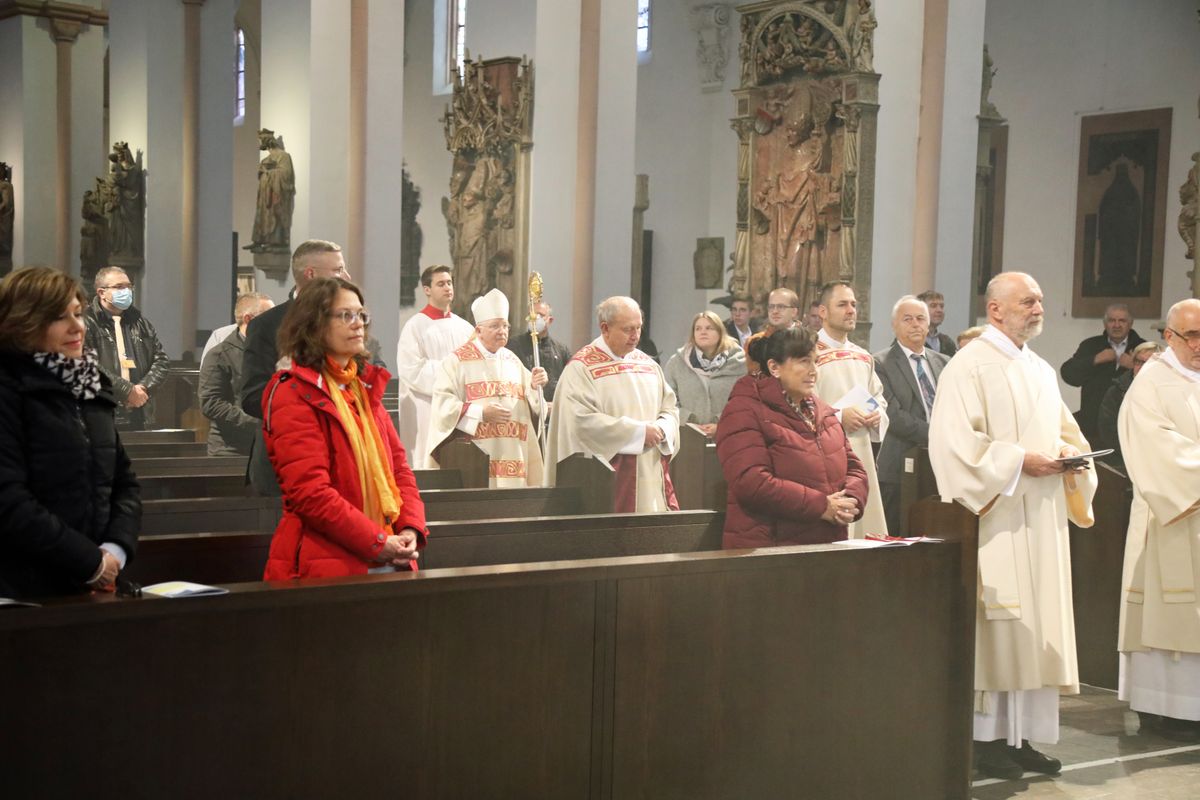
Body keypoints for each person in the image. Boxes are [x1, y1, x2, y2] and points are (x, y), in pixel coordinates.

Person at [929, 271, 1096, 780]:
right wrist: (1019, 460)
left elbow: (1067, 433)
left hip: (1041, 518)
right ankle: (985, 741)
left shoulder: (1041, 370)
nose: (1038, 308)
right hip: (997, 519)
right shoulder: (969, 367)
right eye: (1028, 301)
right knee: (1001, 631)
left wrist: (1070, 456)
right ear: (995, 309)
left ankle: (1022, 737)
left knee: (1035, 629)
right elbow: (954, 446)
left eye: (1041, 300)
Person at [262, 277, 426, 580]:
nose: (358, 324)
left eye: (361, 315)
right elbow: (309, 493)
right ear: (314, 324)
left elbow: (400, 469)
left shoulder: (362, 389)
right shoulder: (292, 392)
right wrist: (377, 542)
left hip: (390, 553)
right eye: (345, 315)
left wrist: (409, 527)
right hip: (326, 560)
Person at [0, 267, 139, 598]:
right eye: (60, 318)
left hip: (92, 582)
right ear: (25, 323)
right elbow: (8, 498)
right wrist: (89, 562)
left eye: (78, 314)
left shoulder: (90, 386)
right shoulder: (8, 389)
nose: (77, 327)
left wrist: (115, 551)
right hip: (22, 587)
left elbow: (123, 483)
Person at [1117, 299, 1200, 741]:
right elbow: (1152, 446)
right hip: (1171, 514)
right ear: (1169, 336)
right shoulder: (1151, 383)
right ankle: (1165, 707)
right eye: (1192, 336)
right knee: (1169, 613)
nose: (1199, 345)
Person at [716, 327, 867, 548]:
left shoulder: (822, 412)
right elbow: (751, 482)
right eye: (804, 362)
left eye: (815, 362)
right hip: (769, 550)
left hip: (826, 544)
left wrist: (851, 499)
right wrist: (821, 506)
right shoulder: (744, 410)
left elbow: (854, 467)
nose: (814, 370)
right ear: (774, 367)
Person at [547, 296, 680, 512]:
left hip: (649, 479)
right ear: (605, 328)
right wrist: (637, 433)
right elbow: (579, 422)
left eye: (638, 328)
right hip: (606, 484)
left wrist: (663, 428)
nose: (635, 336)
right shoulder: (581, 369)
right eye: (628, 329)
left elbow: (670, 408)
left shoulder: (648, 365)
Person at [241, 240, 351, 495]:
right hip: (284, 461)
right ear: (310, 274)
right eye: (338, 269)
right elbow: (251, 396)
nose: (346, 277)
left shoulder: (350, 321)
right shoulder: (267, 326)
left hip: (340, 461)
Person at [427, 289, 548, 486]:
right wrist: (480, 413)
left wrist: (534, 387)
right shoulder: (457, 361)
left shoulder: (513, 360)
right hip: (475, 461)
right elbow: (443, 404)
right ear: (478, 330)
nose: (502, 331)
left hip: (514, 458)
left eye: (505, 326)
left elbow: (535, 409)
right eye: (495, 326)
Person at [814, 280, 889, 538]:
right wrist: (838, 416)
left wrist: (877, 413)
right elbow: (799, 405)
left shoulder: (863, 356)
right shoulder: (808, 355)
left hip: (862, 453)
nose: (851, 310)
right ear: (822, 311)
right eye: (843, 304)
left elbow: (878, 396)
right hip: (824, 457)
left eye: (854, 305)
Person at [873, 296, 949, 536]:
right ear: (894, 325)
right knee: (898, 535)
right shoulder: (880, 362)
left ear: (928, 325)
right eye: (907, 319)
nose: (915, 324)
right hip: (898, 462)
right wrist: (937, 435)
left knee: (935, 531)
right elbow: (892, 414)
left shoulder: (944, 362)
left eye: (920, 319)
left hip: (939, 462)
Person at [394, 265, 475, 469]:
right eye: (441, 283)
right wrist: (453, 372)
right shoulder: (415, 326)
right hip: (427, 407)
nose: (447, 287)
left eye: (449, 283)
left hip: (458, 408)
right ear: (427, 289)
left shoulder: (465, 328)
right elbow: (412, 370)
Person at [84, 266, 170, 430]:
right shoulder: (87, 322)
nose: (126, 291)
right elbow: (88, 366)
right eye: (119, 287)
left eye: (129, 286)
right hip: (100, 411)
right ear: (102, 293)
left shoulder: (140, 322)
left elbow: (162, 361)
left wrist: (141, 389)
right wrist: (126, 390)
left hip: (138, 411)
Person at [199, 292, 274, 457]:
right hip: (230, 449)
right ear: (249, 319)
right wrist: (255, 422)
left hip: (268, 444)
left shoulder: (271, 351)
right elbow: (210, 403)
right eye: (269, 316)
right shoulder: (220, 354)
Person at [1060, 303, 1145, 441]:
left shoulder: (1142, 348)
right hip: (1092, 424)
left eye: (1122, 321)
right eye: (1112, 320)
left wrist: (1134, 367)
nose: (1116, 325)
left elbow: (1155, 383)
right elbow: (1068, 375)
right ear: (1105, 323)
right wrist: (1095, 359)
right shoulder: (1090, 345)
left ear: (1130, 323)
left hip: (1128, 425)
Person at [664, 311, 746, 436]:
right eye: (698, 329)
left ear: (720, 332)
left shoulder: (739, 362)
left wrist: (722, 423)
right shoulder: (677, 363)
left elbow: (745, 400)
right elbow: (667, 400)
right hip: (688, 436)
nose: (703, 332)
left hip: (731, 435)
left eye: (709, 328)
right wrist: (687, 419)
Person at [1095, 341, 1161, 459]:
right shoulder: (1117, 391)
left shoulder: (1168, 392)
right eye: (1139, 362)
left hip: (1160, 456)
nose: (1142, 367)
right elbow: (1107, 430)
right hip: (1124, 457)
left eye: (1149, 363)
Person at [508, 300, 572, 402]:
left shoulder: (561, 350)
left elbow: (569, 384)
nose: (535, 318)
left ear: (550, 320)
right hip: (525, 408)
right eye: (531, 315)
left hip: (552, 411)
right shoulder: (513, 346)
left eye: (540, 315)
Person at [745, 287, 800, 374]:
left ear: (794, 312)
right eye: (771, 306)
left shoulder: (808, 340)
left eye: (781, 307)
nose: (774, 311)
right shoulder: (754, 342)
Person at [917, 289, 957, 356]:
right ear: (920, 310)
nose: (939, 310)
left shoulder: (947, 343)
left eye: (941, 306)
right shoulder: (910, 340)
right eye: (933, 306)